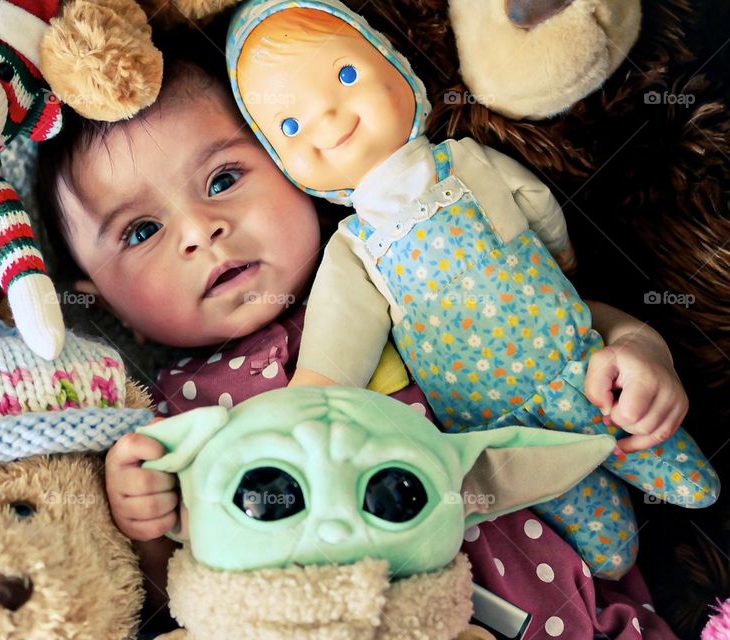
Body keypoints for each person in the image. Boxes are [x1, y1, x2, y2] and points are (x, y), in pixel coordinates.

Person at [36, 27, 680, 638]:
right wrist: (144, 518)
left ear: (294, 169)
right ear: (104, 304)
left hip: (583, 603)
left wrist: (636, 352)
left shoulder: (401, 269)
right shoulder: (173, 415)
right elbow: (185, 593)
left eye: (224, 180)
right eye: (142, 231)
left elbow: (554, 320)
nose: (201, 229)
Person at [224, 0, 718, 579]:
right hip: (502, 439)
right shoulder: (353, 248)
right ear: (286, 164)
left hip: (577, 364)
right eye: (290, 126)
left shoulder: (465, 162)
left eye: (347, 76)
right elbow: (337, 350)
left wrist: (560, 268)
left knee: (688, 477)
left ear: (398, 68)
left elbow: (537, 210)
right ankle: (619, 560)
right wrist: (307, 400)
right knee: (607, 552)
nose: (329, 122)